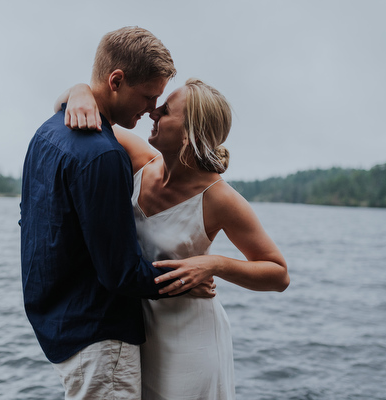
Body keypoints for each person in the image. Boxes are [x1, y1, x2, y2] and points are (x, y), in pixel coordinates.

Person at [59, 78, 290, 399]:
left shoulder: (220, 198)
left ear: (190, 134)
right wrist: (81, 89)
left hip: (190, 340)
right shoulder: (139, 160)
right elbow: (67, 108)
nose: (152, 113)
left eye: (165, 111)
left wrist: (214, 264)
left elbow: (278, 274)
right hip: (134, 330)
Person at [20, 27, 214, 400]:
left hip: (60, 324)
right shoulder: (104, 155)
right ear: (116, 80)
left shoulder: (47, 133)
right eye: (147, 96)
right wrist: (188, 280)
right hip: (100, 337)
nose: (152, 109)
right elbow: (121, 273)